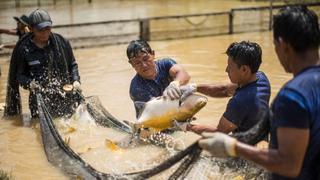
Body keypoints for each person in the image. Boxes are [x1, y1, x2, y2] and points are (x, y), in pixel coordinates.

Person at [198, 6, 320, 179]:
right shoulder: (264, 81)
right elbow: (225, 89)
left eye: (275, 45)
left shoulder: (293, 96)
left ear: (283, 44)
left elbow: (289, 164)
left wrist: (233, 147)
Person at [184, 41, 271, 143]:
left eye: (230, 67)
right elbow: (224, 89)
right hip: (261, 140)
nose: (226, 70)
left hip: (245, 154)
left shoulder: (241, 101)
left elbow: (218, 134)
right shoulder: (261, 78)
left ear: (244, 69)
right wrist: (193, 87)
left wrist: (187, 126)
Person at [4, 9, 81, 118]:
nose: (45, 33)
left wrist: (76, 80)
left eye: (48, 29)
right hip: (38, 102)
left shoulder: (62, 43)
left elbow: (72, 64)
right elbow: (20, 75)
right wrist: (30, 83)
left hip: (65, 96)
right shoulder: (24, 49)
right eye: (41, 30)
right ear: (31, 29)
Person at [126, 40, 190, 117]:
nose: (144, 65)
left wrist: (175, 83)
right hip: (154, 119)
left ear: (153, 54)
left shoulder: (166, 64)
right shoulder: (136, 88)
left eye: (146, 59)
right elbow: (157, 110)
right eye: (137, 62)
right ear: (132, 64)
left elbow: (184, 74)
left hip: (175, 109)